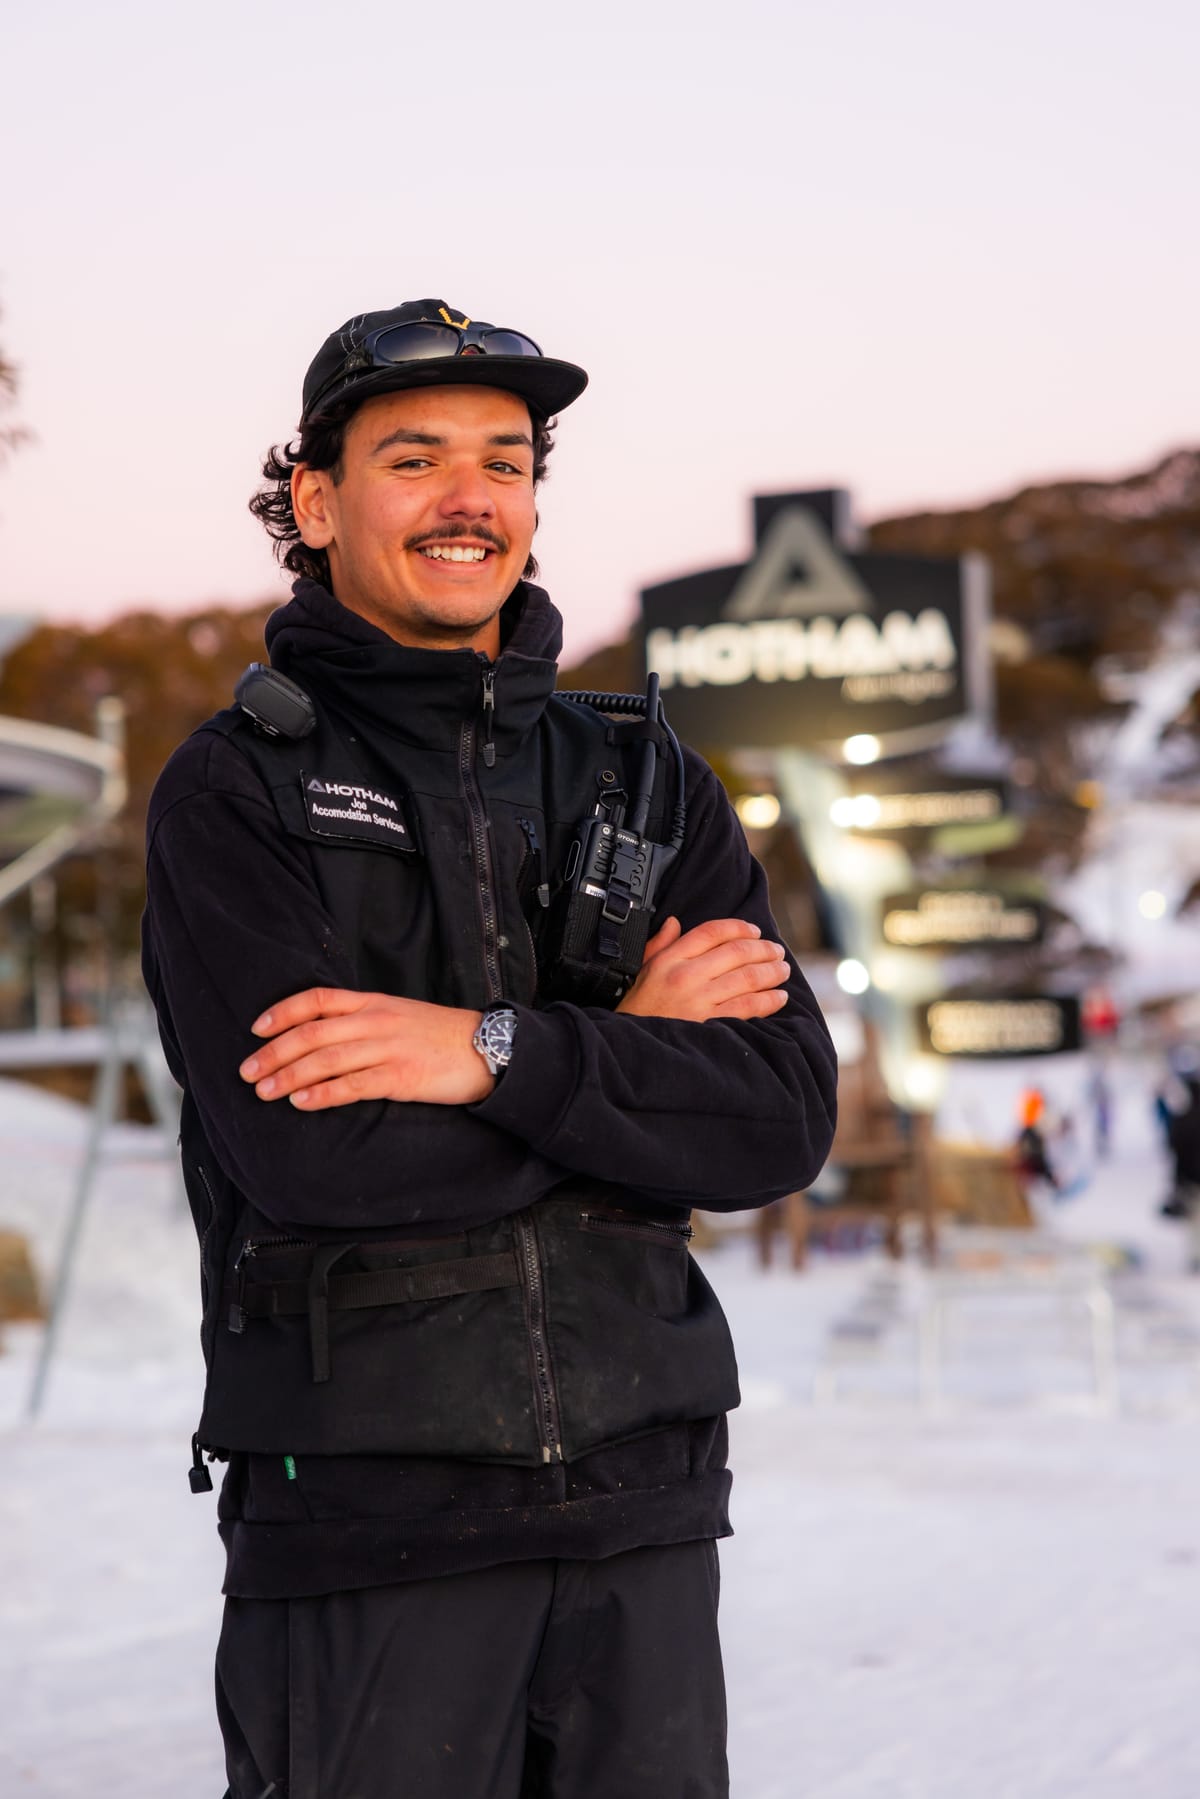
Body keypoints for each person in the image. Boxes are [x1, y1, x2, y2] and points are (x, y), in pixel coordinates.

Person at [141, 298, 838, 1799]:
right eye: (416, 460)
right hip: (368, 1514)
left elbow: (778, 1119)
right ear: (316, 503)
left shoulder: (647, 782)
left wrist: (489, 1053)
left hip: (646, 1503)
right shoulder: (236, 793)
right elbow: (321, 1157)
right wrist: (633, 1064)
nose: (471, 499)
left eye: (505, 463)